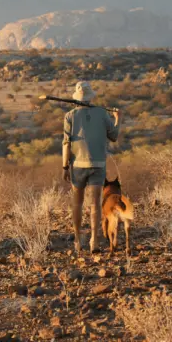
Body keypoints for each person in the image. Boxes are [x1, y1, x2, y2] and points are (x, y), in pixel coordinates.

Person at [62, 81, 121, 254]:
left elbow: (66, 143)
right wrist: (117, 119)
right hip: (98, 164)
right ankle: (94, 241)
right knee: (95, 204)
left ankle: (78, 241)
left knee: (77, 203)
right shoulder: (103, 114)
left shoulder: (70, 116)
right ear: (90, 97)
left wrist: (65, 166)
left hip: (77, 166)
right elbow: (114, 136)